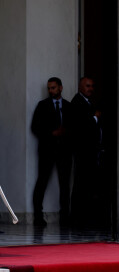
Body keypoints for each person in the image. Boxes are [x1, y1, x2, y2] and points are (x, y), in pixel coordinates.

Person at [31, 77, 73, 227]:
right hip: (47, 150)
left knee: (64, 184)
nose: (51, 91)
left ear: (60, 88)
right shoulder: (42, 106)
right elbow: (35, 127)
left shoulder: (68, 106)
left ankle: (65, 217)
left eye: (53, 88)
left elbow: (74, 128)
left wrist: (65, 134)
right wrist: (51, 133)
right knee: (41, 182)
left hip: (64, 151)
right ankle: (38, 216)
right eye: (49, 88)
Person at [70, 77, 105, 227]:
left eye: (92, 86)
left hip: (91, 151)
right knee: (81, 184)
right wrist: (95, 118)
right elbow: (80, 126)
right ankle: (79, 218)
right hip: (83, 151)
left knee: (89, 184)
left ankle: (86, 217)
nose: (91, 89)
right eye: (88, 86)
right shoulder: (78, 102)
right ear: (80, 87)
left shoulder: (89, 102)